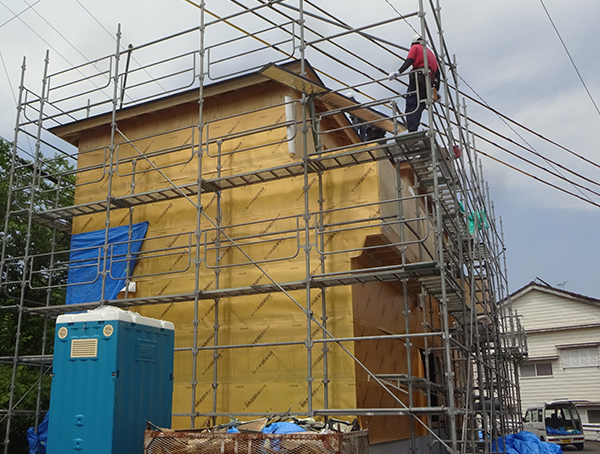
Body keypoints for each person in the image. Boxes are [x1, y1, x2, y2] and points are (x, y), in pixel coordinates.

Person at [388, 34, 440, 132]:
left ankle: (412, 130)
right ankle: (414, 128)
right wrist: (436, 89)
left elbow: (410, 60)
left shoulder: (415, 47)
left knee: (412, 103)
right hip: (428, 82)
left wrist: (398, 72)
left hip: (418, 78)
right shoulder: (430, 53)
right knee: (420, 105)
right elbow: (438, 73)